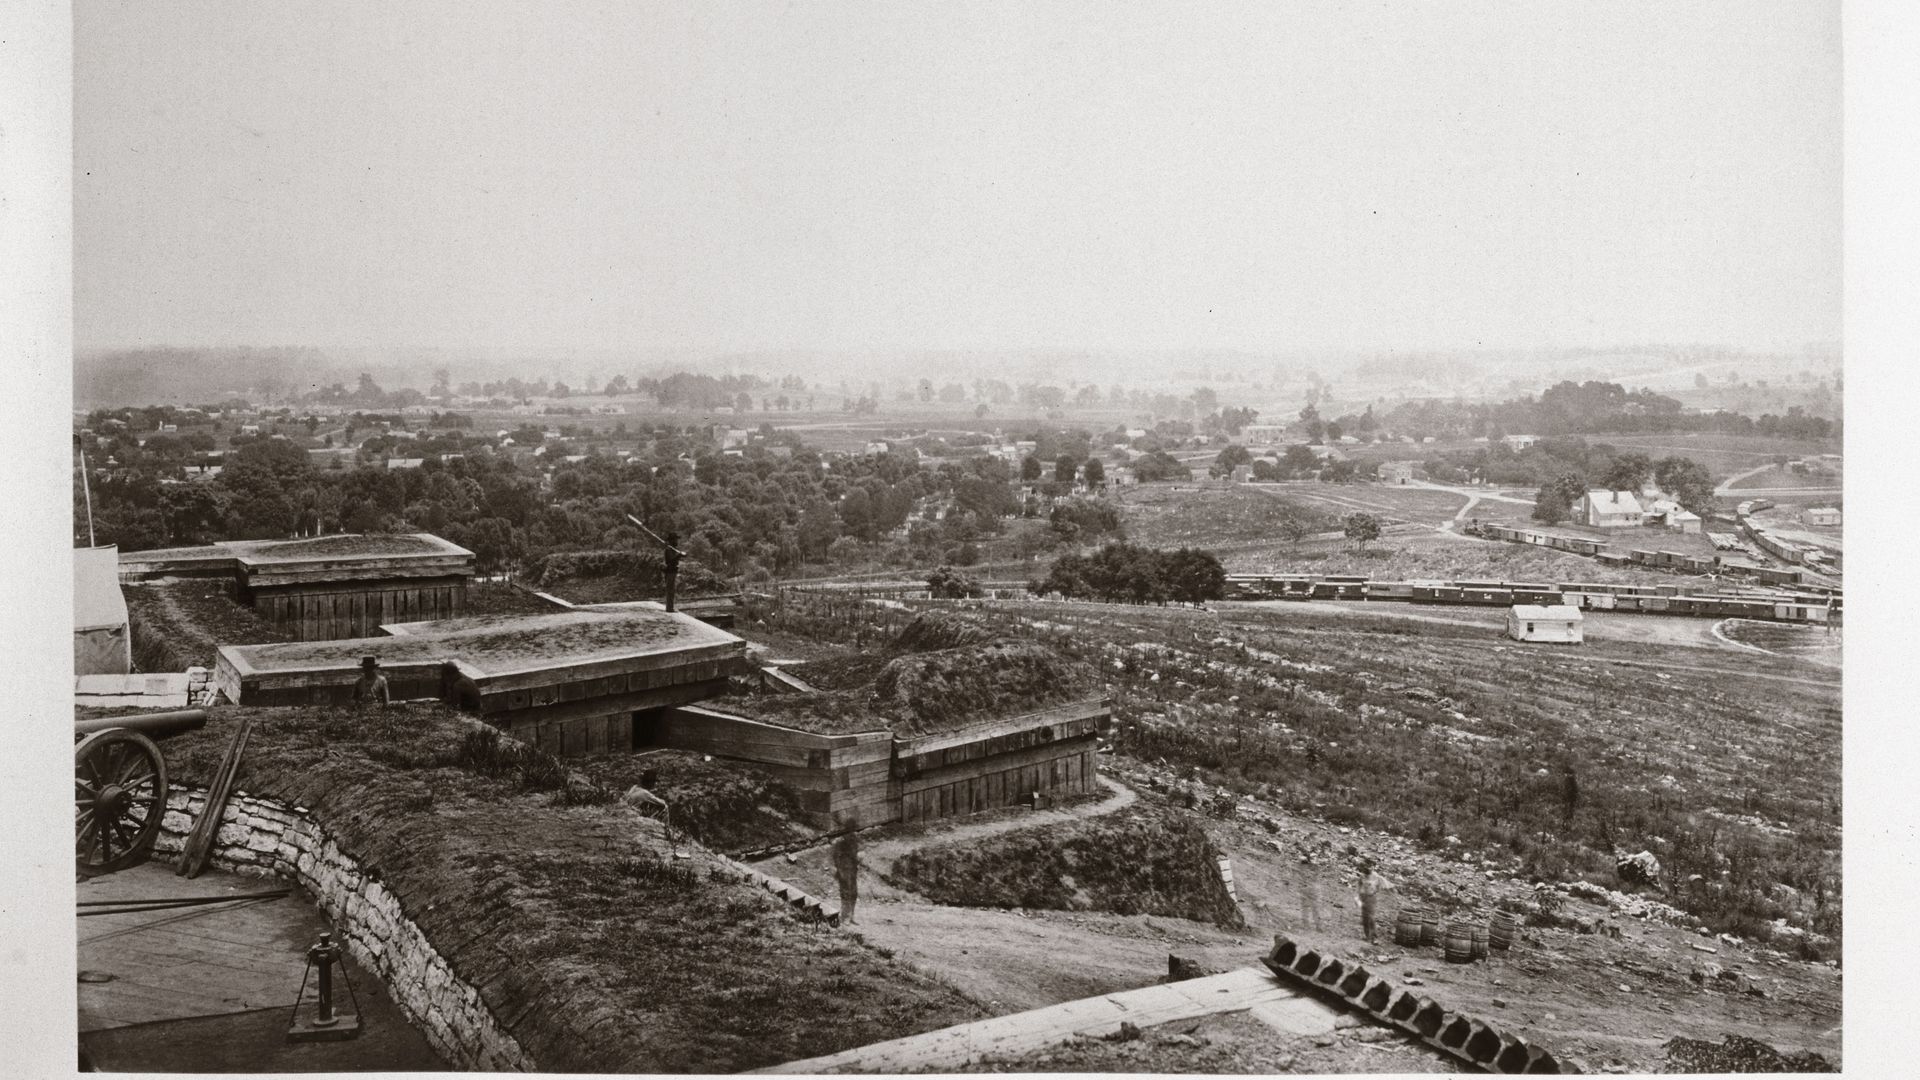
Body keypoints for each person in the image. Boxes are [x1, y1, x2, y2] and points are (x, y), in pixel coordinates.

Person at [1355, 859, 1393, 944]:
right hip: (1363, 897)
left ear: (1373, 867)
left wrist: (1374, 892)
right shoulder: (1362, 876)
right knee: (1364, 918)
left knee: (1371, 918)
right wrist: (1358, 896)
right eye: (1366, 866)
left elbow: (1380, 886)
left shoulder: (1376, 876)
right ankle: (1367, 936)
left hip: (1371, 898)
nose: (1368, 868)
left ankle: (1375, 937)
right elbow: (1359, 885)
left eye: (1370, 866)